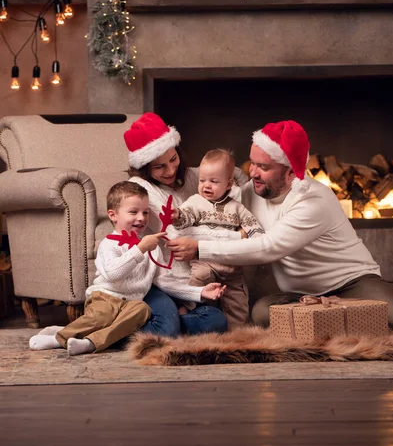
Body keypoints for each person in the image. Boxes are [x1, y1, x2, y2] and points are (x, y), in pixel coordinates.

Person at [166, 119, 393, 329]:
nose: (253, 172)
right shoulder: (250, 192)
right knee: (260, 314)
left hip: (351, 284)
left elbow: (269, 247)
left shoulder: (313, 199)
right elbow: (215, 202)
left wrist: (199, 248)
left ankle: (345, 314)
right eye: (253, 163)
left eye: (264, 167)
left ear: (290, 173)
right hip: (299, 296)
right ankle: (342, 319)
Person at [29, 181, 226, 355]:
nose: (141, 218)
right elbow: (114, 274)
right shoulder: (109, 244)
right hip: (106, 297)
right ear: (113, 215)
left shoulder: (151, 248)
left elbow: (164, 282)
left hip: (132, 303)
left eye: (145, 212)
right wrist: (139, 250)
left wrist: (199, 292)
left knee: (141, 309)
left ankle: (91, 342)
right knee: (102, 315)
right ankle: (59, 338)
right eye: (133, 212)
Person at [123, 112, 249, 336]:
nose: (171, 170)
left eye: (173, 159)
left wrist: (236, 200)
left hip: (203, 278)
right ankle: (147, 323)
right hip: (168, 280)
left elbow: (235, 172)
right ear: (145, 168)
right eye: (159, 167)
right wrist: (237, 236)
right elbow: (178, 238)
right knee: (187, 327)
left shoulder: (191, 176)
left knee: (216, 322)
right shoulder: (141, 188)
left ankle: (172, 321)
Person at [171, 148, 264, 329]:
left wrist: (257, 241)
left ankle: (236, 333)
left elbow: (254, 229)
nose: (206, 185)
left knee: (238, 301)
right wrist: (177, 216)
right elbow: (185, 219)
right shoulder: (196, 201)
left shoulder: (237, 208)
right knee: (200, 276)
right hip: (206, 262)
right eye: (202, 180)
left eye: (213, 181)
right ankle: (186, 308)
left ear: (229, 184)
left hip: (232, 267)